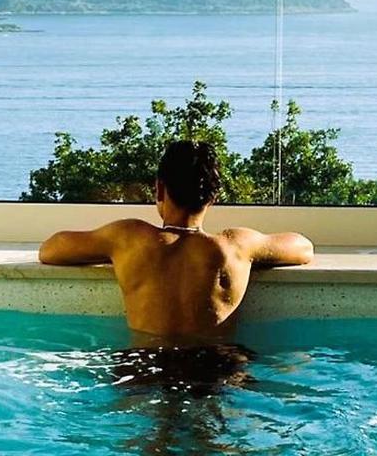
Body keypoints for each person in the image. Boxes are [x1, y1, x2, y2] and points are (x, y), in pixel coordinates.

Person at [39, 141, 315, 343]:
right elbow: (303, 247)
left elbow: (50, 249)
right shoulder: (236, 246)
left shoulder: (129, 239)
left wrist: (109, 252)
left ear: (159, 189)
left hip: (146, 366)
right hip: (216, 368)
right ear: (213, 198)